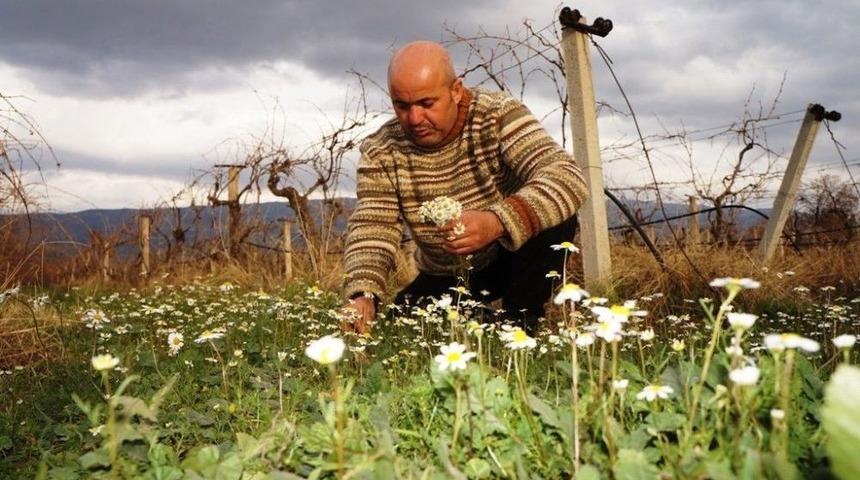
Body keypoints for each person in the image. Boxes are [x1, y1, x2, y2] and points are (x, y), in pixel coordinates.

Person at [341, 40, 588, 335]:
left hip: (511, 254)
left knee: (557, 214)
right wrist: (362, 293)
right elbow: (373, 225)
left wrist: (496, 222)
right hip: (445, 272)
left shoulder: (496, 115)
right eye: (402, 106)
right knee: (402, 325)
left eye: (426, 104)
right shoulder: (382, 150)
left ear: (456, 91)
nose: (414, 119)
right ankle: (481, 323)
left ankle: (520, 324)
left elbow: (566, 175)